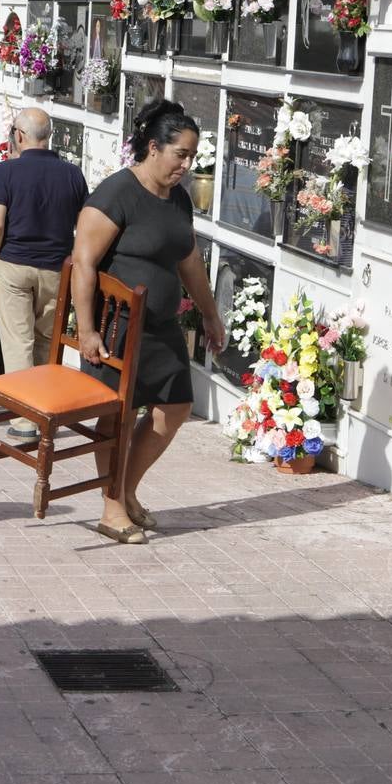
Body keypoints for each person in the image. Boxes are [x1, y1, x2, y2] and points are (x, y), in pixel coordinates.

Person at [72, 100, 225, 544]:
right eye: (181, 154)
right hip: (117, 327)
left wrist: (211, 314)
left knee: (174, 407)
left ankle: (127, 489)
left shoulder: (177, 198)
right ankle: (112, 507)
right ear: (154, 148)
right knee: (117, 417)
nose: (187, 165)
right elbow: (84, 263)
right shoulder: (115, 194)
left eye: (192, 156)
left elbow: (189, 258)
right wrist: (87, 329)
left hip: (160, 326)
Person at [0, 107, 88, 438]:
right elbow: (84, 227)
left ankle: (24, 419)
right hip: (57, 269)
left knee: (18, 342)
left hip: (14, 265)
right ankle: (43, 412)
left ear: (19, 135)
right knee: (46, 341)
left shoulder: (6, 172)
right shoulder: (73, 174)